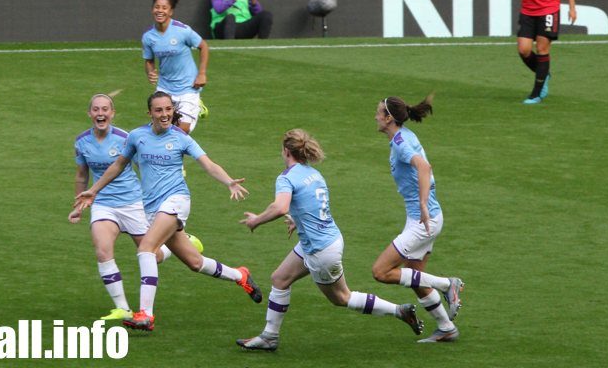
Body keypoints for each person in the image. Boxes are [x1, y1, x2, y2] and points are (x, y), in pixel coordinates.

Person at [73, 90, 261, 332]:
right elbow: (118, 165)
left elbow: (208, 163)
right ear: (149, 113)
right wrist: (94, 190)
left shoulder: (181, 138)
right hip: (152, 207)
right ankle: (240, 276)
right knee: (195, 262)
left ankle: (145, 315)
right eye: (159, 110)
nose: (164, 114)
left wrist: (228, 182)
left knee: (146, 249)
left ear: (173, 111)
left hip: (176, 201)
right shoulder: (137, 137)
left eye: (168, 110)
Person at [235, 129, 425, 351]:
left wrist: (256, 221)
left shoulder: (286, 178)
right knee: (279, 278)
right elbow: (315, 206)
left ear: (286, 151)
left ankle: (399, 311)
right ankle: (269, 336)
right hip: (323, 240)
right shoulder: (314, 174)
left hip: (320, 250)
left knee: (342, 298)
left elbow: (280, 207)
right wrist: (298, 221)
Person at [67, 94, 203, 322]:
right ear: (89, 114)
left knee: (153, 254)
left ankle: (182, 241)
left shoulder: (126, 138)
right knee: (102, 249)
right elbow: (82, 175)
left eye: (105, 109)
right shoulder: (81, 142)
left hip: (133, 202)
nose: (101, 114)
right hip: (103, 204)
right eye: (96, 110)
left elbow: (146, 165)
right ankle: (123, 308)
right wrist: (80, 203)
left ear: (113, 113)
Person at [370, 95, 465, 343]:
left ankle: (447, 284)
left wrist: (422, 203)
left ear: (389, 118)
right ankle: (446, 328)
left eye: (379, 112)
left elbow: (424, 167)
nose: (376, 116)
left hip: (425, 220)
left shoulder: (401, 142)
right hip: (424, 218)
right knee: (414, 277)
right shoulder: (403, 136)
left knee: (381, 271)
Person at [141, 0, 209, 133]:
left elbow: (203, 46)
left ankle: (196, 104)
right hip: (165, 88)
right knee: (161, 129)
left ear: (170, 11)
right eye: (157, 7)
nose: (160, 10)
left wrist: (202, 73)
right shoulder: (148, 36)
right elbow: (149, 60)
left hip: (188, 88)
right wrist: (150, 71)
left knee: (181, 131)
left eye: (164, 7)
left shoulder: (182, 30)